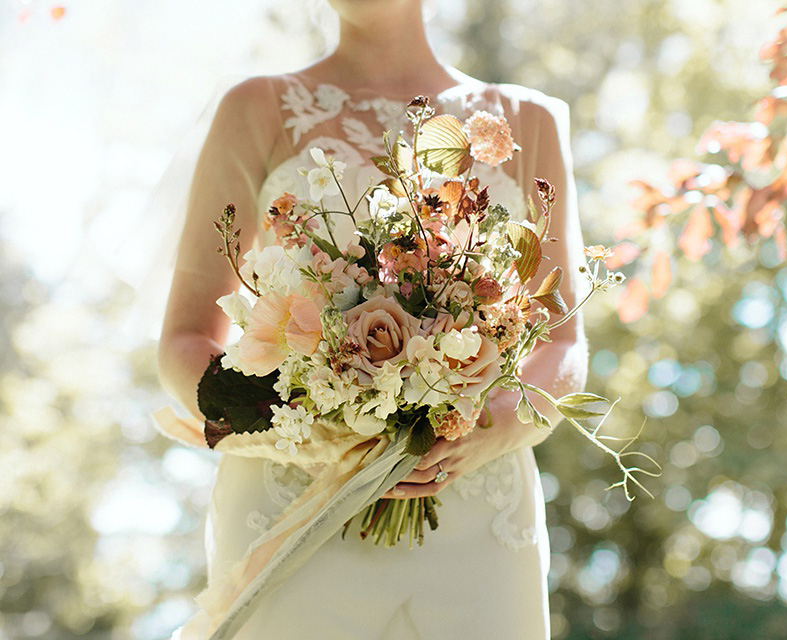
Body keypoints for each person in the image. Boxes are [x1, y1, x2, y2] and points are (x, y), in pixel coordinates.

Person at [156, 0, 588, 637]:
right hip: (294, 497)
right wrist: (316, 430)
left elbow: (565, 341)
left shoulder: (529, 121)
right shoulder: (258, 107)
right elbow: (185, 339)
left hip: (475, 501)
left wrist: (487, 427)